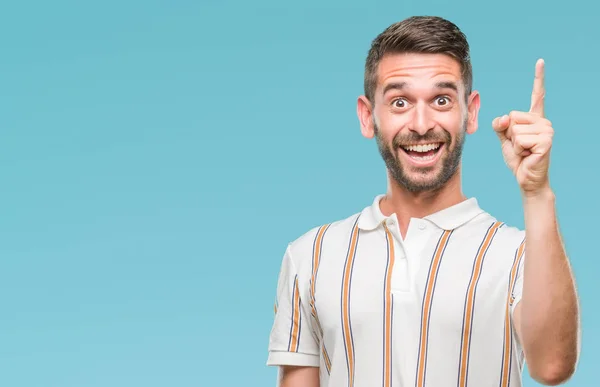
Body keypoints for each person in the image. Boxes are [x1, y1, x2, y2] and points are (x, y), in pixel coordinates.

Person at [265, 15, 580, 387]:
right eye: (399, 102)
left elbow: (552, 367)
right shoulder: (309, 256)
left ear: (471, 112)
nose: (420, 123)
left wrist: (536, 192)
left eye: (441, 100)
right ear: (368, 117)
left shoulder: (519, 256)